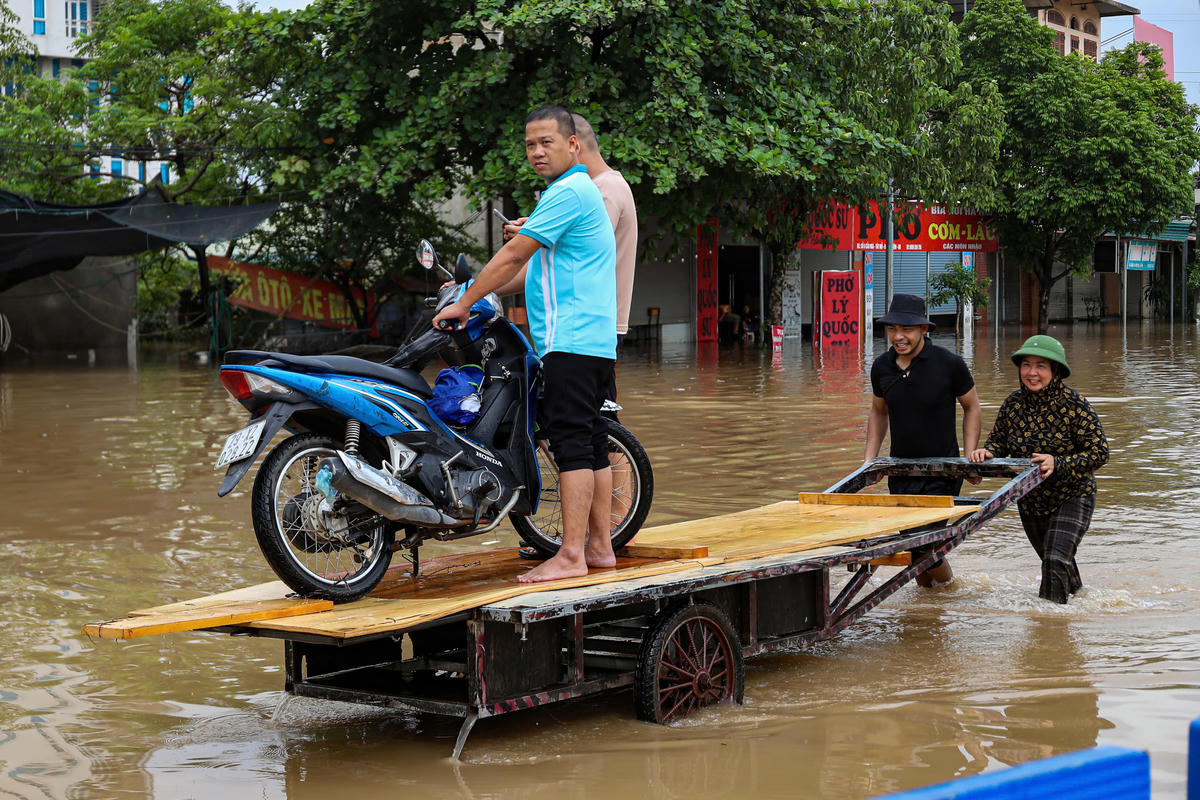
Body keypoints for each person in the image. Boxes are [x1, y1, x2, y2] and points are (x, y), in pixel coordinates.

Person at [434, 105, 618, 584]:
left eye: (547, 143)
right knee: (593, 445)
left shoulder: (568, 191)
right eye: (530, 145)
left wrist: (463, 302)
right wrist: (480, 296)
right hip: (593, 342)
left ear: (573, 145)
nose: (537, 152)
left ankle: (571, 555)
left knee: (572, 446)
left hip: (572, 342)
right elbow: (531, 274)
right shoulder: (574, 194)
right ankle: (599, 548)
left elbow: (515, 252)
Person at [969, 335, 1108, 604]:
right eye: (1026, 365)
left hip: (1073, 495)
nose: (1032, 373)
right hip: (1031, 499)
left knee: (1055, 561)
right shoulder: (1013, 404)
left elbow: (1100, 452)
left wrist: (1059, 462)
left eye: (1041, 366)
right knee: (1056, 563)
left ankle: (1048, 630)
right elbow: (998, 441)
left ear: (1055, 371)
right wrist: (987, 453)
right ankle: (1083, 609)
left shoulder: (1074, 405)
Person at [864, 294, 982, 587]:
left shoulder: (949, 364)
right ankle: (929, 608)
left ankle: (949, 590)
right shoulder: (882, 367)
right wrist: (869, 460)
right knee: (914, 546)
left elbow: (972, 407)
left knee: (923, 547)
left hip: (943, 470)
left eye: (907, 329)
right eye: (892, 329)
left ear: (924, 330)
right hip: (901, 471)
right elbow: (879, 413)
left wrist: (968, 457)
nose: (898, 336)